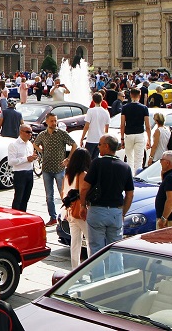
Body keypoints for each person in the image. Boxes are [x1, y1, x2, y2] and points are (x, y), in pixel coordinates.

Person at [80, 134, 134, 262]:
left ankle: (98, 278)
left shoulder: (97, 163)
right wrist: (123, 212)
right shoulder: (125, 167)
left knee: (96, 249)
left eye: (99, 144)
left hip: (97, 210)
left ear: (107, 146)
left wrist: (83, 205)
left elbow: (84, 187)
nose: (98, 147)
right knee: (115, 250)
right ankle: (115, 279)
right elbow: (130, 194)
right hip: (116, 212)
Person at [33, 113, 77, 226]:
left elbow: (74, 144)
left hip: (59, 168)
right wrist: (41, 152)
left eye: (55, 121)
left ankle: (66, 216)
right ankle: (52, 217)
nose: (54, 123)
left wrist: (68, 159)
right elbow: (35, 144)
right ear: (47, 122)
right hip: (46, 168)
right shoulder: (43, 134)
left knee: (63, 194)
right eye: (52, 121)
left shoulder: (61, 134)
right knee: (49, 195)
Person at [62, 148, 91, 269]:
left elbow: (63, 191)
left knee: (75, 242)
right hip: (79, 211)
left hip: (69, 211)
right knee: (91, 240)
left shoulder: (68, 173)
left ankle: (74, 269)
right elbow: (83, 192)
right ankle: (92, 268)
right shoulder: (83, 174)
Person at [120, 88, 151, 174]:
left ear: (130, 95)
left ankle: (130, 177)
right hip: (140, 134)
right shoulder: (144, 108)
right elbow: (147, 126)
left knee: (129, 158)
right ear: (139, 95)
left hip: (128, 134)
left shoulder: (125, 107)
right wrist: (149, 139)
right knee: (139, 159)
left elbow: (122, 125)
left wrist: (122, 138)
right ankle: (137, 177)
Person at [8, 125, 36, 212]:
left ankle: (23, 215)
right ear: (21, 132)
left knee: (26, 198)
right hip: (19, 173)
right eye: (27, 132)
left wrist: (33, 158)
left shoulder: (30, 144)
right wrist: (26, 159)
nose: (30, 134)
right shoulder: (14, 145)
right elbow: (11, 162)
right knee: (18, 198)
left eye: (31, 132)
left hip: (29, 172)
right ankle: (14, 216)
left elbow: (30, 159)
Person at [80, 92, 110, 160]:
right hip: (100, 139)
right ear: (102, 100)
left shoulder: (90, 111)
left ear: (93, 100)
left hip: (91, 139)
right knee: (96, 159)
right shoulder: (106, 112)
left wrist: (82, 138)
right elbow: (106, 129)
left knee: (87, 160)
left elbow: (86, 126)